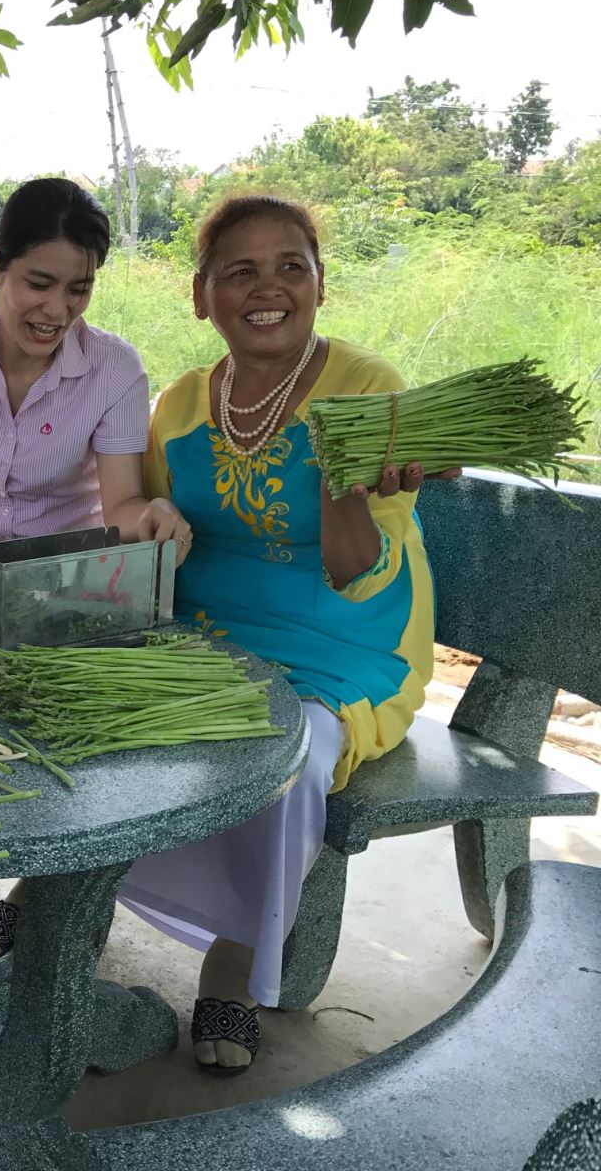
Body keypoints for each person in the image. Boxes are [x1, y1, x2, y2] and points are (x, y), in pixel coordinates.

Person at [121, 195, 453, 1075]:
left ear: (318, 283)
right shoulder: (182, 402)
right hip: (205, 629)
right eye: (241, 271)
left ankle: (232, 963)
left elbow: (354, 569)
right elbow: (152, 520)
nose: (268, 288)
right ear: (201, 295)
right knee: (100, 720)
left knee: (292, 755)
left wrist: (342, 477)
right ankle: (62, 896)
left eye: (291, 267)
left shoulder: (369, 390)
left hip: (340, 635)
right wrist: (150, 516)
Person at [0, 178, 193, 951]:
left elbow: (119, 504)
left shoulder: (114, 369)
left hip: (71, 592)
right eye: (38, 283)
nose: (56, 310)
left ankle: (40, 892)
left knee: (62, 749)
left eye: (78, 289)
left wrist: (150, 519)